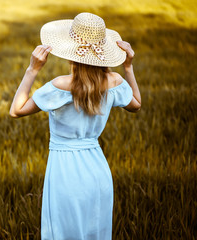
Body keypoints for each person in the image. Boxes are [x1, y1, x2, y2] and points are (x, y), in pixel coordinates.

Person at [9, 12, 141, 240]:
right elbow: (136, 105)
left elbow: (15, 110)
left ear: (71, 50)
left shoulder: (60, 86)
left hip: (65, 173)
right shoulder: (115, 82)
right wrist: (128, 68)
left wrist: (32, 69)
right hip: (98, 172)